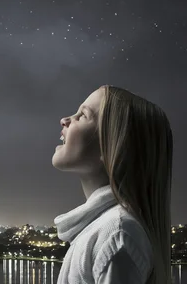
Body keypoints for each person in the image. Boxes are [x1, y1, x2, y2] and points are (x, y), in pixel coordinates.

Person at [52, 85, 173, 284]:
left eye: (82, 115)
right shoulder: (105, 231)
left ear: (112, 146)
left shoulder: (117, 234)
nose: (65, 120)